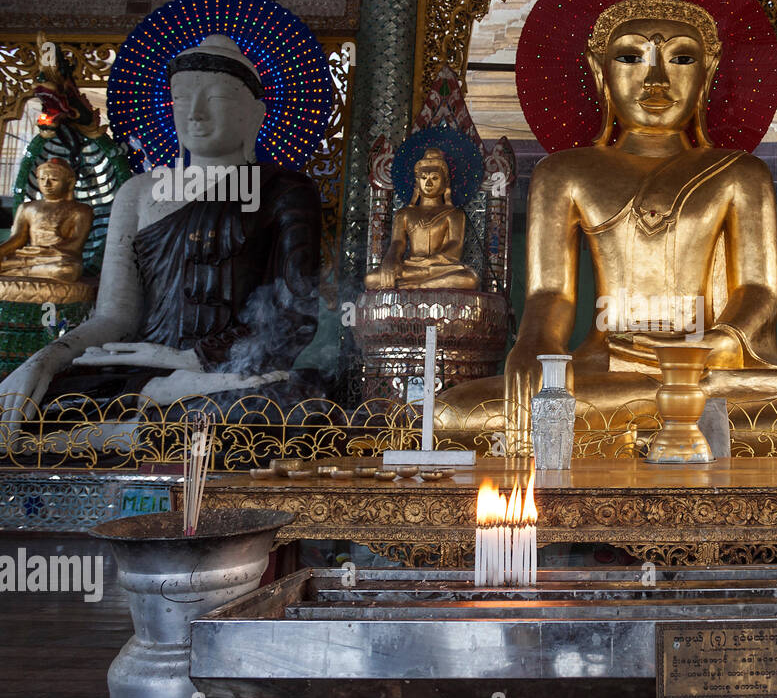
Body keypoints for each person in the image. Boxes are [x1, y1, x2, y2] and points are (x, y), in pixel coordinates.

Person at [442, 0, 777, 445]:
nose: (655, 79)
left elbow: (757, 292)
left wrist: (717, 341)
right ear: (598, 70)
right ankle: (671, 417)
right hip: (605, 366)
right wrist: (532, 348)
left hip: (713, 368)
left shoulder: (741, 173)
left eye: (681, 58)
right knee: (452, 414)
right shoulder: (564, 172)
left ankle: (653, 419)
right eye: (631, 57)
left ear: (708, 72)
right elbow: (550, 294)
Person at [0, 34, 321, 423]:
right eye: (182, 98)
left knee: (279, 409)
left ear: (255, 114)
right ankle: (147, 411)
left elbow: (293, 317)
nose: (195, 113)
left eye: (216, 99)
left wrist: (180, 358)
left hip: (232, 374)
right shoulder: (138, 192)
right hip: (133, 372)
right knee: (37, 407)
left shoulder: (284, 190)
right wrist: (45, 360)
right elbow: (115, 318)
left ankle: (146, 415)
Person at [365, 147, 480, 290]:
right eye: (424, 178)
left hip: (439, 268)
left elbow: (455, 245)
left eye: (435, 178)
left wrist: (429, 262)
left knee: (469, 279)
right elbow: (397, 243)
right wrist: (390, 260)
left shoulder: (454, 214)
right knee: (371, 279)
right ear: (417, 182)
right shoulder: (404, 213)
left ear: (445, 182)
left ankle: (417, 285)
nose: (429, 184)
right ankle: (418, 284)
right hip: (411, 267)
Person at [0, 158, 92, 284]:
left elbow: (76, 244)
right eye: (42, 179)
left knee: (67, 270)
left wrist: (45, 252)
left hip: (57, 258)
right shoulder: (26, 208)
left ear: (70, 182)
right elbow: (17, 238)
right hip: (28, 256)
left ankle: (21, 270)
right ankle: (26, 269)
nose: (46, 184)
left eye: (54, 180)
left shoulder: (81, 210)